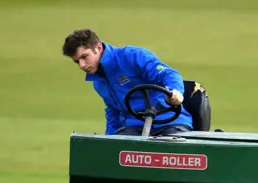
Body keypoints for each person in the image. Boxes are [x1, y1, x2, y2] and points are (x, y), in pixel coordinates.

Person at [62, 29, 193, 136]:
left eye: (84, 57)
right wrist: (108, 140)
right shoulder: (98, 81)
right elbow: (113, 111)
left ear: (98, 48)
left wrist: (176, 92)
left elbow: (168, 74)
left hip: (170, 122)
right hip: (135, 128)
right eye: (77, 61)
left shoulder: (132, 56)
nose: (82, 65)